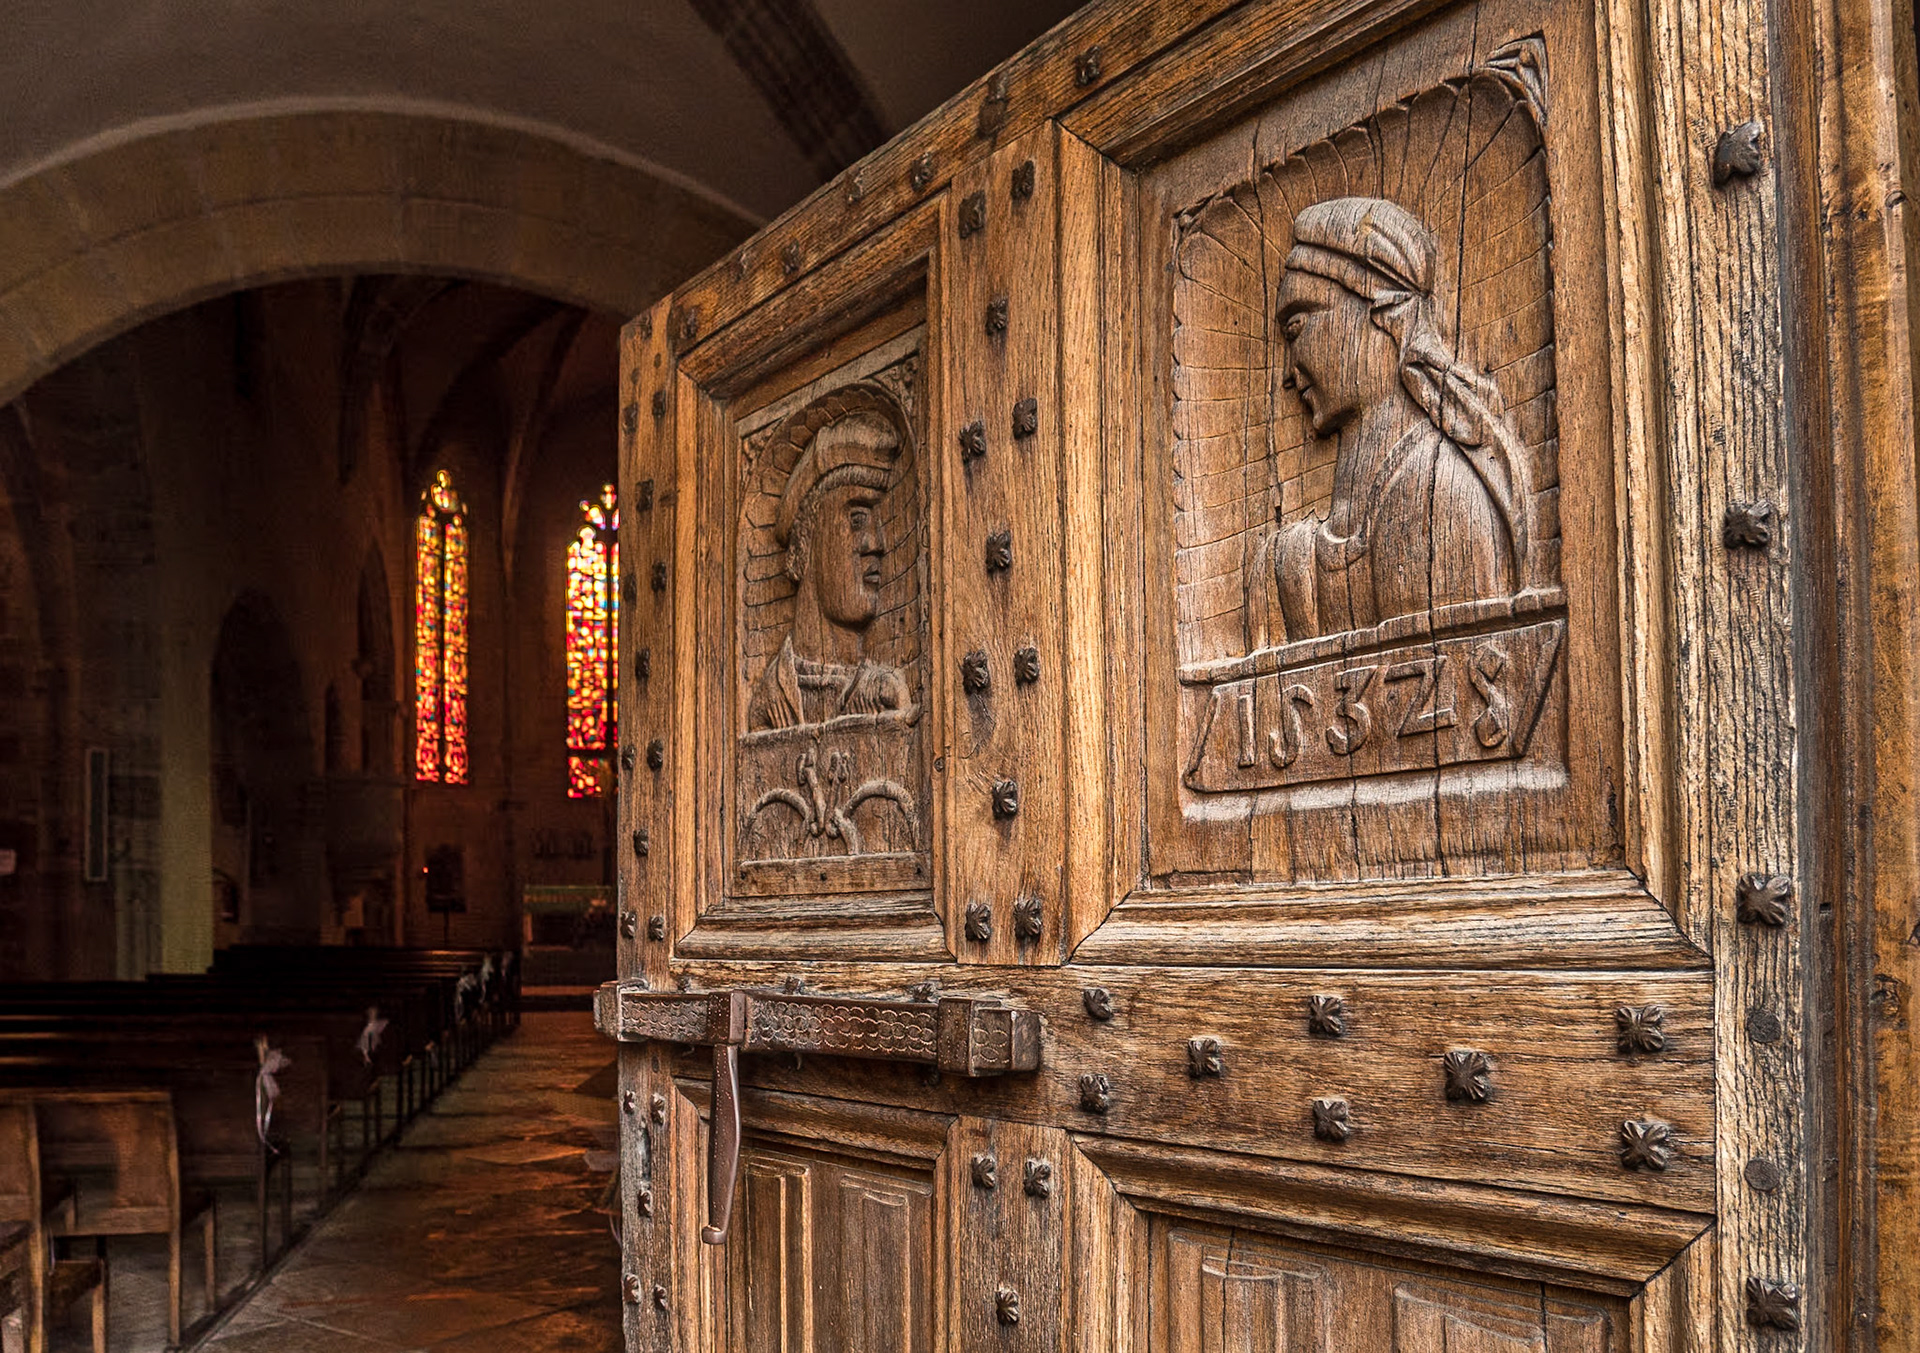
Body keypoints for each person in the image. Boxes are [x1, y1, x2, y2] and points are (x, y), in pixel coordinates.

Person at [1247, 196, 1533, 648]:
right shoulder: (1289, 558)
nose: (1286, 374)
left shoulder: (1439, 496)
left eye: (1297, 327)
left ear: (1379, 310)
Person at [747, 387, 914, 732]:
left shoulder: (885, 694)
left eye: (877, 522)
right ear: (805, 543)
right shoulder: (770, 703)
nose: (877, 543)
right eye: (857, 519)